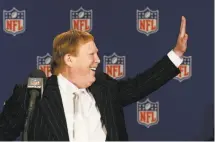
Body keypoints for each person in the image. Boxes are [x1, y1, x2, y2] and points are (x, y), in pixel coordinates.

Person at [28, 16, 188, 141]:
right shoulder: (36, 97)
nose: (98, 60)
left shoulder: (104, 87)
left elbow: (140, 85)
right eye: (91, 54)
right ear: (70, 59)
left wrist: (177, 53)